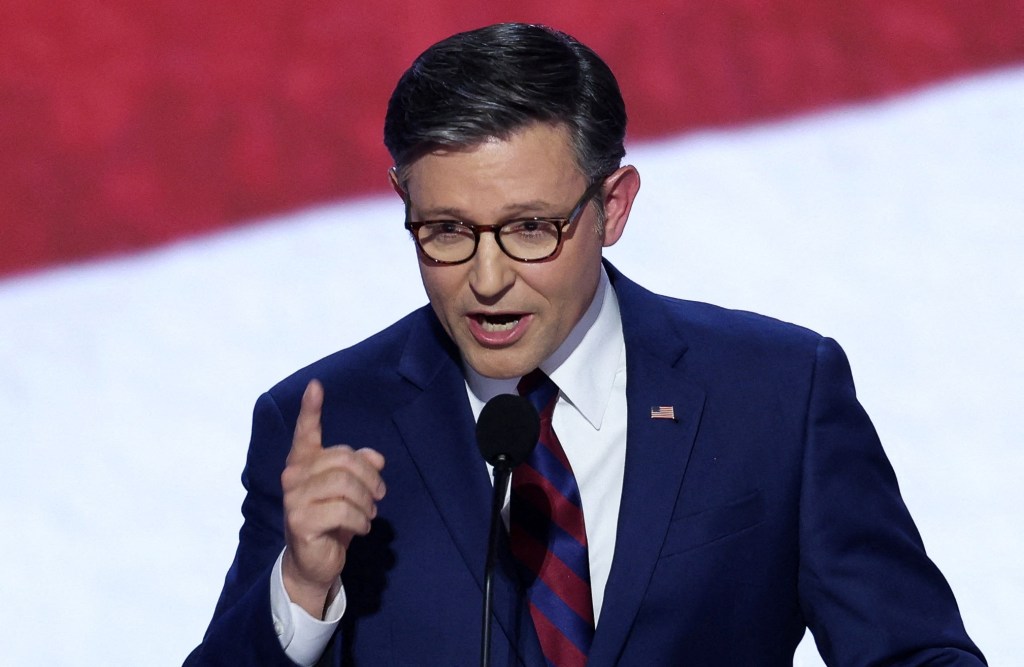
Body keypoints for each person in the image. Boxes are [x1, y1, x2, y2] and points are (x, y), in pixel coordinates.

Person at [186, 22, 985, 666]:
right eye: (446, 231)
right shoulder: (328, 422)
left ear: (614, 205)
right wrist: (301, 589)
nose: (487, 279)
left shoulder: (776, 395)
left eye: (531, 227)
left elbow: (916, 652)